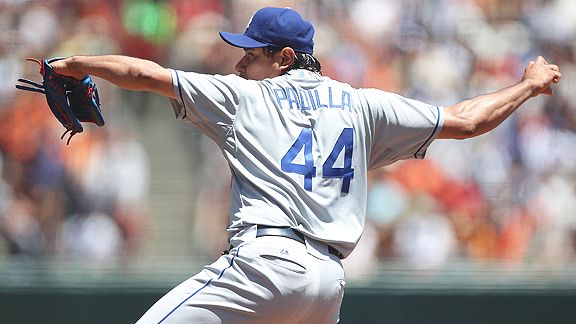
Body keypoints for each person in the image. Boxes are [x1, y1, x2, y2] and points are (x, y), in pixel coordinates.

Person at [48, 6, 561, 324]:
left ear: (285, 58)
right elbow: (466, 121)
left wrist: (76, 63)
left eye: (251, 54)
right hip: (326, 288)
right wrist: (529, 85)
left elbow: (145, 72)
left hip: (265, 266)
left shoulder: (246, 98)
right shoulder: (363, 104)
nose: (239, 63)